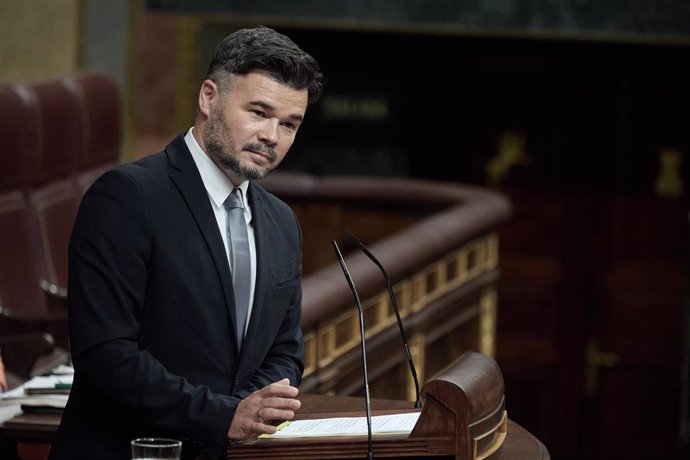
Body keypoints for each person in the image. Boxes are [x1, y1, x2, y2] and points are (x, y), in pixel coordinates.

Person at [49, 26, 323, 460]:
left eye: (289, 124)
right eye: (258, 112)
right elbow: (106, 354)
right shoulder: (126, 196)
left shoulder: (281, 221)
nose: (272, 136)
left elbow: (284, 351)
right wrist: (223, 417)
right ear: (208, 97)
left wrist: (250, 413)